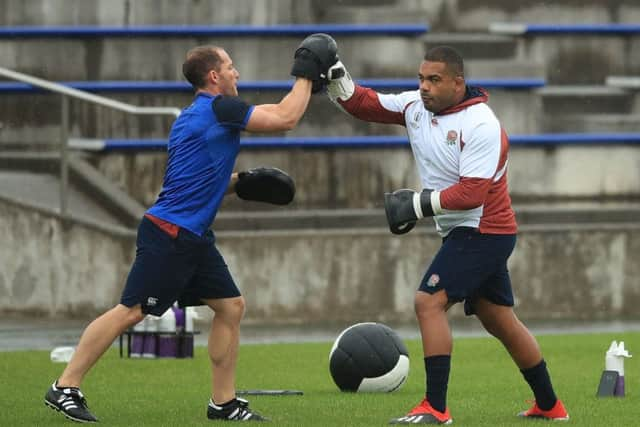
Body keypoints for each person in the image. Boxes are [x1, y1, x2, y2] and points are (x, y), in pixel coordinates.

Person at [44, 34, 338, 423]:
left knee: (230, 307)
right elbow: (285, 117)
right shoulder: (219, 108)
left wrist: (238, 182)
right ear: (215, 76)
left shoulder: (197, 115)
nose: (237, 72)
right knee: (131, 311)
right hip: (171, 233)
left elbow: (199, 176)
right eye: (231, 66)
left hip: (191, 236)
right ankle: (65, 387)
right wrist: (306, 72)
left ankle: (224, 402)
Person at [326, 46, 569, 424]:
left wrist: (416, 205)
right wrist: (334, 73)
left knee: (428, 302)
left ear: (459, 82)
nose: (424, 87)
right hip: (467, 231)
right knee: (499, 319)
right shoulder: (416, 107)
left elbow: (472, 194)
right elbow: (364, 104)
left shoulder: (482, 124)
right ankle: (551, 406)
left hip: (484, 230)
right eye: (421, 78)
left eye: (434, 80)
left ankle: (435, 409)